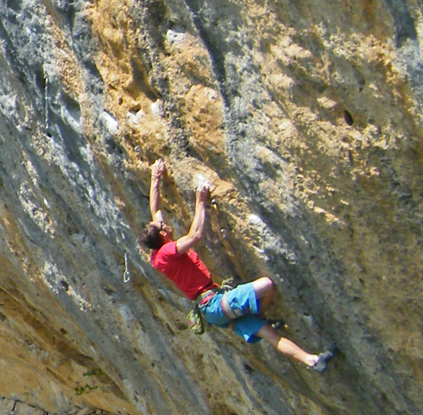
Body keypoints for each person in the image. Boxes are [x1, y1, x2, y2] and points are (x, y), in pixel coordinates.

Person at [142, 159, 334, 372]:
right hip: (215, 303)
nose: (163, 221)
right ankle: (259, 315)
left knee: (270, 334)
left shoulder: (157, 253)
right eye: (162, 225)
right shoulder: (167, 251)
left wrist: (155, 177)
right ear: (162, 233)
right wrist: (200, 202)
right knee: (266, 285)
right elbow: (195, 235)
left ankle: (312, 361)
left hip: (213, 311)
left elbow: (155, 209)